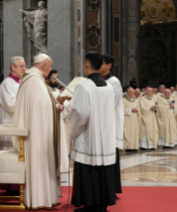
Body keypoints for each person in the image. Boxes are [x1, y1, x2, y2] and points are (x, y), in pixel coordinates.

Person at [13, 53, 62, 209]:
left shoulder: (32, 79)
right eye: (50, 65)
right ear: (44, 65)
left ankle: (42, 197)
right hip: (37, 134)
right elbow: (41, 108)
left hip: (36, 131)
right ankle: (40, 199)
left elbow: (41, 106)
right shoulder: (35, 81)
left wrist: (54, 107)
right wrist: (56, 108)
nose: (51, 69)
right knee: (40, 163)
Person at [70, 52, 116, 212]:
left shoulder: (84, 86)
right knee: (103, 170)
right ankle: (102, 204)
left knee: (89, 170)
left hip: (89, 137)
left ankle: (90, 205)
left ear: (86, 64)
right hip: (106, 137)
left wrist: (72, 132)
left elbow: (81, 114)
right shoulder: (108, 87)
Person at [99, 54, 124, 194]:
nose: (99, 65)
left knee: (111, 156)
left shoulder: (114, 81)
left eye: (102, 63)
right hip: (102, 122)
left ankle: (112, 187)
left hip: (110, 123)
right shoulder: (98, 80)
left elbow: (110, 102)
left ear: (109, 65)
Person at [45, 69, 70, 180]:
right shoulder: (45, 91)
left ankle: (60, 171)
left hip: (59, 123)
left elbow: (66, 109)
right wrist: (56, 104)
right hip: (49, 124)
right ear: (47, 79)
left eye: (57, 78)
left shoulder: (58, 92)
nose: (56, 80)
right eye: (54, 78)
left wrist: (63, 106)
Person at [0, 56, 26, 148]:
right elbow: (11, 105)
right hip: (9, 123)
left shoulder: (21, 82)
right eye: (21, 66)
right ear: (13, 67)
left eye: (25, 66)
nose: (24, 69)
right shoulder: (7, 83)